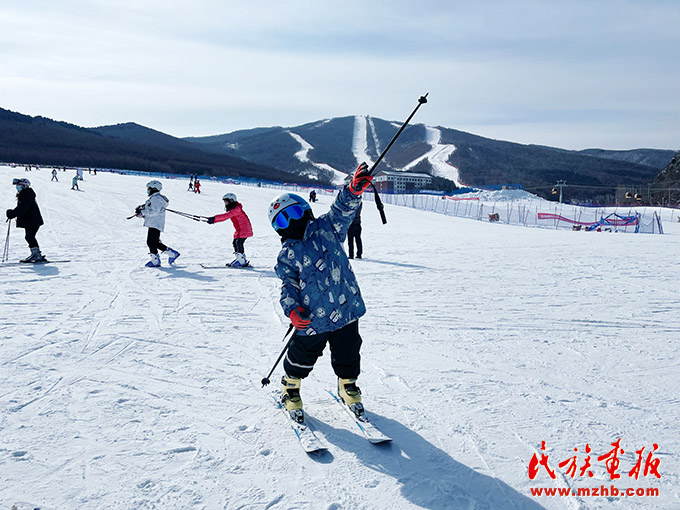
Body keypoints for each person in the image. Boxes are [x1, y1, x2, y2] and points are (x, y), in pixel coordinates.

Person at [269, 162, 373, 422]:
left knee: (349, 351)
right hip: (312, 318)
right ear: (278, 228)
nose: (291, 221)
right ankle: (290, 387)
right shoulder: (287, 254)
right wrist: (292, 310)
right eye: (283, 219)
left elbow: (342, 210)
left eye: (293, 213)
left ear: (305, 210)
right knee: (302, 355)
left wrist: (352, 191)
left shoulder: (328, 228)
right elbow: (288, 286)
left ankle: (347, 386)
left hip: (345, 309)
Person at [135, 180, 180, 267]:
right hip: (154, 223)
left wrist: (143, 212)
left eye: (149, 188)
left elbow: (154, 212)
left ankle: (158, 260)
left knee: (151, 242)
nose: (147, 190)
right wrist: (141, 212)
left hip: (155, 223)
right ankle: (170, 254)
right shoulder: (154, 198)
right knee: (153, 242)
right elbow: (152, 211)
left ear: (154, 189)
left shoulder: (156, 199)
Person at [5, 178, 46, 263]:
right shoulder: (25, 194)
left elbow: (23, 207)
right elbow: (23, 207)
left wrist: (13, 213)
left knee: (29, 237)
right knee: (29, 237)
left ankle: (37, 255)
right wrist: (13, 213)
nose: (17, 187)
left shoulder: (27, 194)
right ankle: (36, 254)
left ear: (24, 185)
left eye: (19, 185)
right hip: (31, 220)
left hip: (32, 220)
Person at [207, 193, 253, 267]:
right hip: (240, 230)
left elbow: (225, 216)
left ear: (231, 201)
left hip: (244, 230)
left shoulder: (236, 210)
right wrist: (213, 220)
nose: (225, 204)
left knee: (238, 243)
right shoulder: (234, 209)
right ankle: (239, 259)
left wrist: (214, 219)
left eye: (226, 202)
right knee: (235, 242)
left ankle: (242, 261)